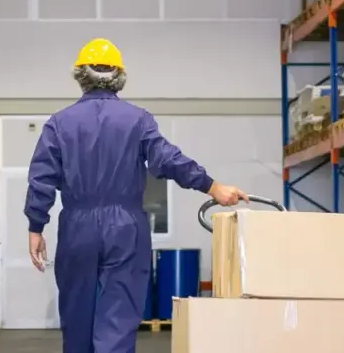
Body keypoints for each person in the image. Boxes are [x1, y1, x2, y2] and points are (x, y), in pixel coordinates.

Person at [23, 38, 249, 353]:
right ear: (118, 75)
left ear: (81, 74)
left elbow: (41, 178)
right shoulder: (138, 119)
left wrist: (36, 227)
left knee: (77, 319)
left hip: (77, 228)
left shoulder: (59, 124)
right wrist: (212, 186)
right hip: (125, 228)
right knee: (117, 320)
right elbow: (168, 160)